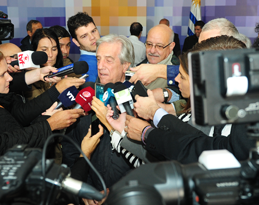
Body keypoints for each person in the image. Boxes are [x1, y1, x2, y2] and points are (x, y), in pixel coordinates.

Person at [125, 36, 254, 164]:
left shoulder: (247, 119)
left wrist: (146, 132)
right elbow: (201, 140)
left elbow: (208, 151)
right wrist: (156, 112)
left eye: (182, 76)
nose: (176, 80)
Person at [0, 47, 85, 155]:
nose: (10, 78)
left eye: (7, 72)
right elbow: (20, 147)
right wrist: (49, 123)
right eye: (2, 75)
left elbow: (19, 114)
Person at [62, 34, 136, 190]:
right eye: (98, 59)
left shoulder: (139, 103)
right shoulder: (85, 96)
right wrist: (83, 188)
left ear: (125, 65)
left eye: (108, 60)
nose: (100, 66)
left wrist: (116, 191)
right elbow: (71, 149)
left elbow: (143, 160)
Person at [26, 28, 64, 99]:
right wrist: (56, 88)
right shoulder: (29, 77)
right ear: (34, 51)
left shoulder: (67, 65)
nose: (50, 54)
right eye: (44, 50)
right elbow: (37, 106)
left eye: (54, 49)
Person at [67, 12, 100, 82]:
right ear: (76, 42)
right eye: (84, 36)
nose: (92, 37)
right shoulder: (87, 68)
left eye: (93, 31)